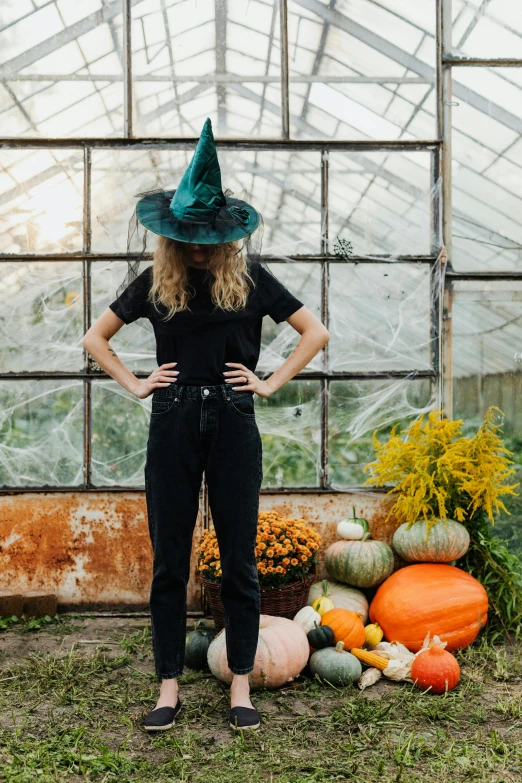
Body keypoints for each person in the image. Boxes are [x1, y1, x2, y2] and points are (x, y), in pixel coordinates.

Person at [82, 117, 329, 732]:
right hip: (170, 418)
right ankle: (168, 689)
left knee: (240, 558)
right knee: (169, 558)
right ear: (172, 235)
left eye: (206, 237)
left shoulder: (250, 280)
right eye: (187, 237)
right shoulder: (155, 283)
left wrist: (268, 382)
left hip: (234, 419)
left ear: (224, 235)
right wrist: (139, 384)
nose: (197, 247)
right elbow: (95, 338)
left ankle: (240, 686)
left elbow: (315, 332)